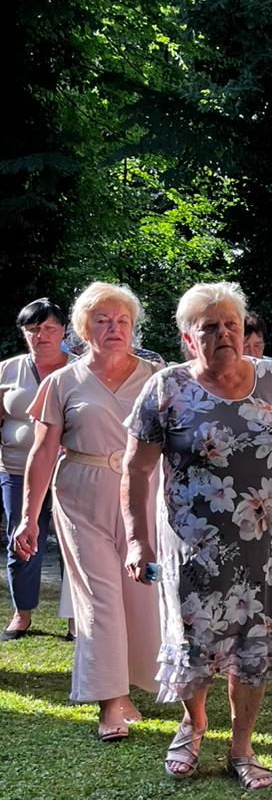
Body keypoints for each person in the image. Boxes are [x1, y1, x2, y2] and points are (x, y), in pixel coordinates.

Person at [122, 282, 272, 787]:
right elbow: (136, 470)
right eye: (210, 327)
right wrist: (138, 539)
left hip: (265, 547)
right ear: (189, 338)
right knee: (194, 642)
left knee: (255, 644)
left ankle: (242, 747)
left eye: (232, 324)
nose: (225, 334)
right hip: (194, 549)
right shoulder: (166, 388)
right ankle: (193, 723)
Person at [13, 283, 162, 741]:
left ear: (133, 327)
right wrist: (27, 516)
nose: (113, 328)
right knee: (99, 597)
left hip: (143, 492)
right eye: (102, 320)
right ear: (83, 329)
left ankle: (131, 686)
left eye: (122, 320)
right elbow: (42, 453)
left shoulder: (157, 375)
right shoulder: (63, 381)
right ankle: (110, 703)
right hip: (81, 492)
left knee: (140, 594)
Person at [0, 299, 72, 638]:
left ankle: (76, 618)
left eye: (48, 328)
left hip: (70, 473)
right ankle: (22, 614)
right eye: (33, 329)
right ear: (23, 332)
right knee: (23, 541)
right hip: (15, 472)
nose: (40, 335)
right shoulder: (7, 370)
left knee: (75, 545)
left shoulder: (79, 371)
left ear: (63, 331)